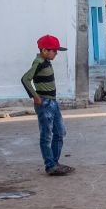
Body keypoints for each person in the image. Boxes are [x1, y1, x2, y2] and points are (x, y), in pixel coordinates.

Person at [21, 35, 74, 176]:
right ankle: (50, 165)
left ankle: (54, 162)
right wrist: (35, 96)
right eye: (54, 51)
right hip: (45, 103)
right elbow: (25, 79)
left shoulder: (45, 61)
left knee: (60, 132)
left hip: (52, 102)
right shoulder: (39, 62)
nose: (56, 54)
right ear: (44, 50)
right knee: (46, 135)